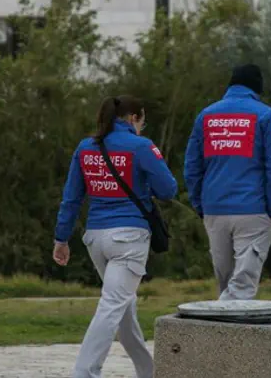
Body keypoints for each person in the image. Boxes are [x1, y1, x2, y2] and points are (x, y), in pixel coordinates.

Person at [53, 95, 178, 378]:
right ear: (133, 118)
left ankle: (148, 371)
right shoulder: (141, 146)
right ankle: (84, 372)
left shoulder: (85, 147)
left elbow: (71, 198)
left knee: (124, 307)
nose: (142, 128)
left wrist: (61, 239)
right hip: (129, 239)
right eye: (142, 122)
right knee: (112, 305)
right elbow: (168, 189)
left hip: (96, 238)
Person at [184, 64, 271, 301]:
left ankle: (222, 322)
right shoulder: (266, 116)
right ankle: (210, 322)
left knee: (226, 284)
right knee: (242, 287)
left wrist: (200, 204)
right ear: (257, 86)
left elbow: (192, 167)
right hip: (253, 209)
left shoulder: (206, 116)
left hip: (214, 209)